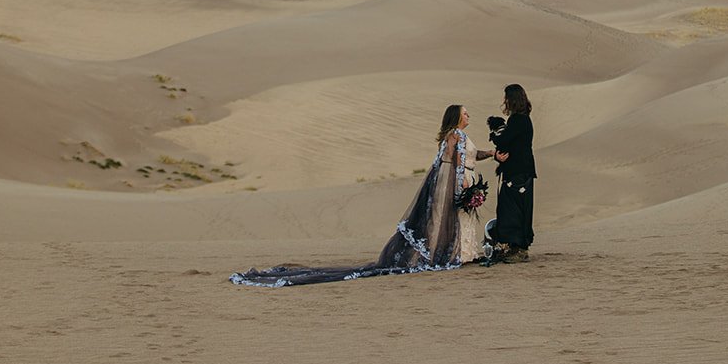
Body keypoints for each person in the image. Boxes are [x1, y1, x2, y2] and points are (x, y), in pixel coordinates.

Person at [230, 104, 496, 287]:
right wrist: (462, 185)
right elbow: (459, 162)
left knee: (453, 218)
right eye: (465, 113)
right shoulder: (457, 135)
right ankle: (453, 255)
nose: (468, 115)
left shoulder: (455, 135)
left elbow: (470, 156)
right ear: (456, 117)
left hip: (451, 180)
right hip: (453, 181)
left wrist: (492, 154)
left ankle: (460, 253)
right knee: (450, 218)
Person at [489, 83, 536, 260]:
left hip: (518, 171)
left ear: (512, 100)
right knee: (515, 207)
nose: (505, 101)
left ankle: (519, 249)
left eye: (506, 98)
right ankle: (516, 247)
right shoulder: (522, 119)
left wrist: (496, 133)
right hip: (520, 170)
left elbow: (504, 142)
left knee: (513, 209)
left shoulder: (518, 120)